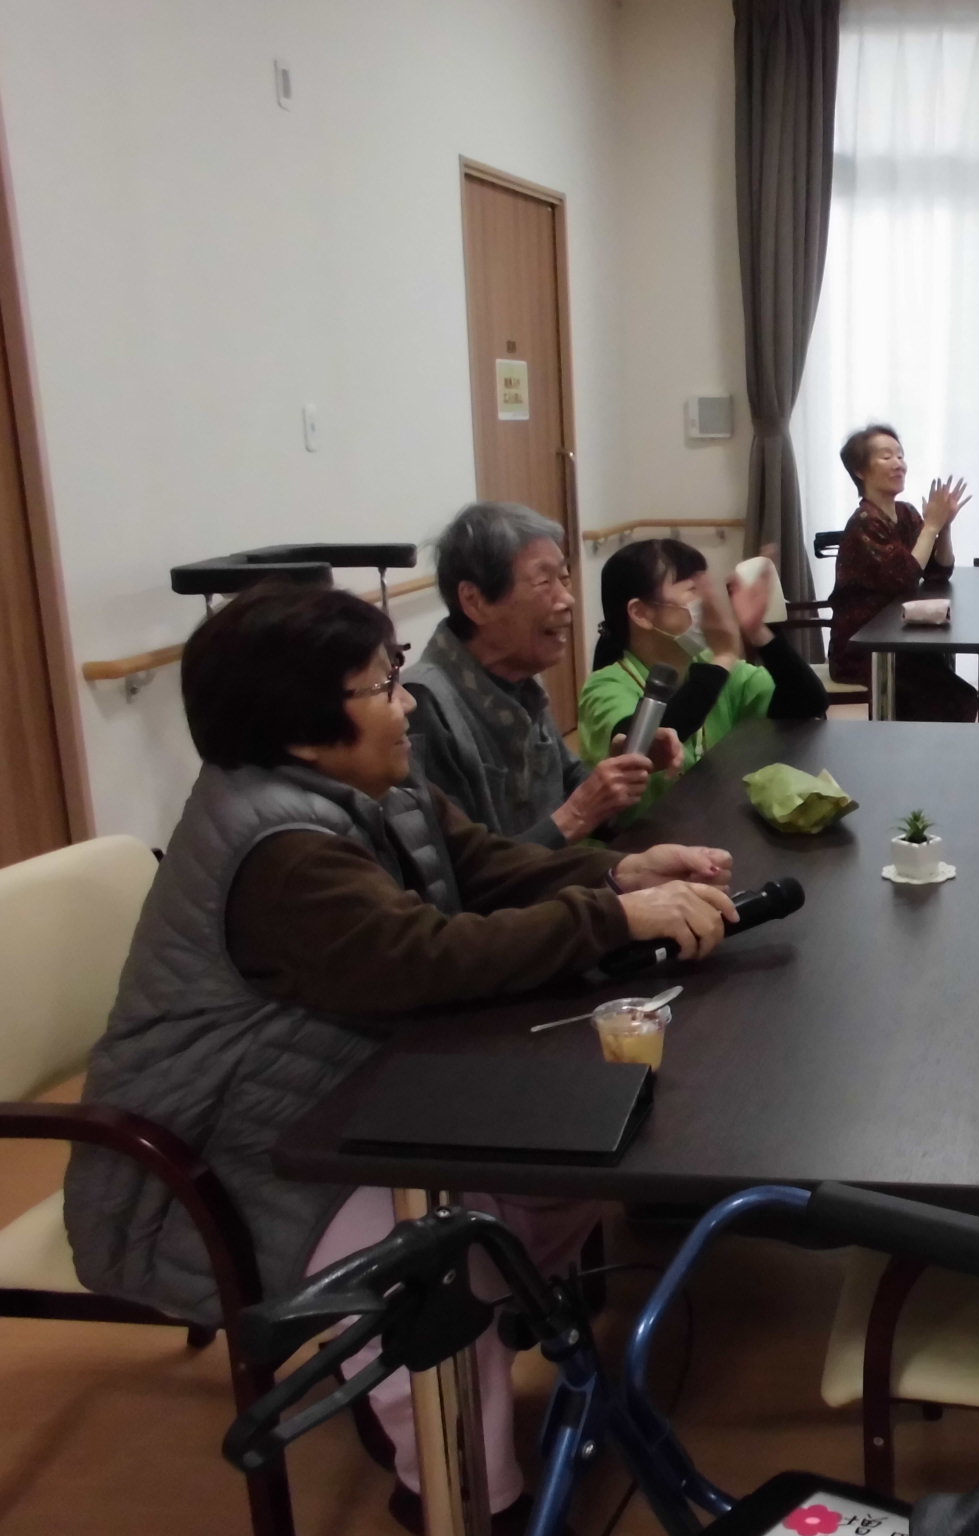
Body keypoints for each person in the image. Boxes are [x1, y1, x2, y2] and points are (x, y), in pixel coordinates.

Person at [61, 584, 740, 1534]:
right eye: (382, 685)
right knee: (448, 1265)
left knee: (575, 1160)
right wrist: (615, 917)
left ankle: (432, 1391)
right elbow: (421, 960)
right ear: (301, 726)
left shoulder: (372, 786)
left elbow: (486, 866)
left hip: (336, 1095)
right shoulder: (281, 848)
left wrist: (620, 871)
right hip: (226, 1152)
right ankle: (464, 1497)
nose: (407, 702)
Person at [407, 501, 684, 845]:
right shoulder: (422, 703)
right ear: (474, 601)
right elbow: (464, 869)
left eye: (564, 578)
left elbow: (568, 781)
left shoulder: (519, 676)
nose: (567, 599)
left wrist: (618, 773)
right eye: (544, 581)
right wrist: (578, 813)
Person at [578, 538, 828, 820]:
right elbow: (643, 746)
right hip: (636, 841)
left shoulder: (709, 668)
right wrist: (723, 655)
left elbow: (808, 702)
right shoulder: (604, 688)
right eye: (692, 591)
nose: (708, 605)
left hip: (705, 827)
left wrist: (758, 633)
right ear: (640, 613)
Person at [826, 422, 979, 721]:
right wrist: (931, 526)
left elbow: (937, 571)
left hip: (901, 639)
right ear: (861, 471)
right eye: (886, 457)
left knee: (957, 694)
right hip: (865, 648)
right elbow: (905, 577)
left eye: (900, 455)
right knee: (952, 699)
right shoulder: (864, 522)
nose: (899, 463)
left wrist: (944, 528)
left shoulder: (906, 513)